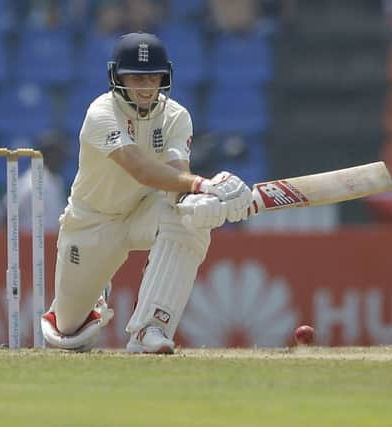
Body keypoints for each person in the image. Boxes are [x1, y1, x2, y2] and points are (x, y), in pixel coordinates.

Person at [40, 32, 254, 353]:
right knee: (69, 332)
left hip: (143, 209)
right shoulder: (101, 113)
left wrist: (201, 199)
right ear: (117, 76)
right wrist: (202, 184)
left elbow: (176, 174)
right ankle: (97, 292)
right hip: (92, 222)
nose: (145, 86)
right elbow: (140, 168)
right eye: (136, 77)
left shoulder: (175, 116)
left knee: (188, 217)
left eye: (153, 77)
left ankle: (150, 328)